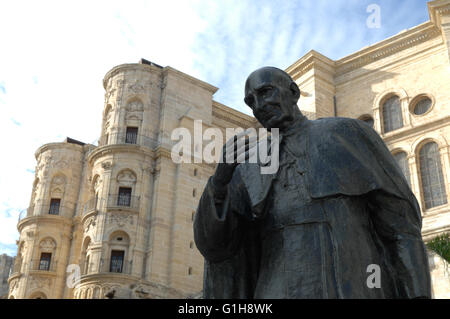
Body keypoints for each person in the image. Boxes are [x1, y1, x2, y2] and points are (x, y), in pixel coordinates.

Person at [193, 66, 431, 298]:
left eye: (266, 92)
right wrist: (219, 182)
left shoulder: (346, 133)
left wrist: (417, 294)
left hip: (351, 283)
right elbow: (216, 248)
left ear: (294, 93)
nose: (259, 105)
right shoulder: (249, 165)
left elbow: (400, 226)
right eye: (251, 101)